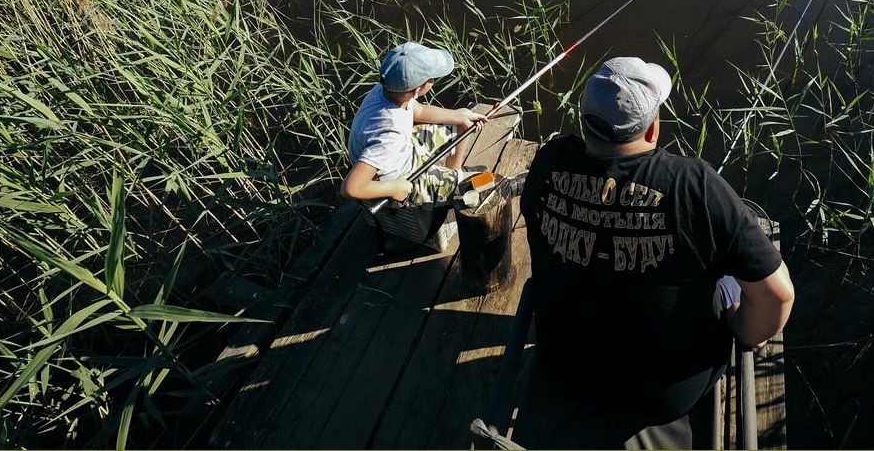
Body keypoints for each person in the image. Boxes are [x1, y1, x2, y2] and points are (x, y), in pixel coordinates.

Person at [516, 57, 795, 449]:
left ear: (585, 121)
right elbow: (778, 295)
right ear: (652, 129)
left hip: (564, 372)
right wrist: (746, 331)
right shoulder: (693, 184)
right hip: (661, 399)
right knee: (730, 278)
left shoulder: (549, 161)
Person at [340, 41, 486, 212]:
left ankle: (453, 172)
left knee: (462, 123)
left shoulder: (386, 88)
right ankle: (455, 184)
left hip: (402, 154)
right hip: (397, 178)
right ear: (417, 90)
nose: (433, 80)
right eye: (431, 78)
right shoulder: (389, 135)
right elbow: (350, 188)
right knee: (476, 186)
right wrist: (395, 188)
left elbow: (419, 110)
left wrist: (458, 115)